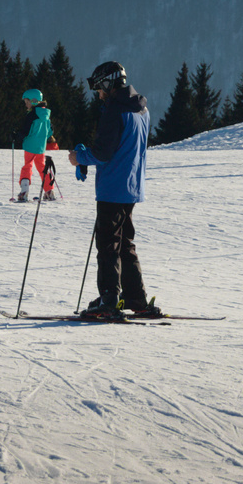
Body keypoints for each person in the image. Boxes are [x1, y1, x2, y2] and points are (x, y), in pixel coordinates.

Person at [70, 61, 162, 319]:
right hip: (132, 186)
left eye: (99, 88)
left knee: (108, 243)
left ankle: (110, 299)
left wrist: (79, 157)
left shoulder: (114, 111)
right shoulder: (142, 110)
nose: (98, 93)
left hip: (112, 187)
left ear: (109, 84)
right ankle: (136, 298)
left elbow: (103, 152)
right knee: (125, 243)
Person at [13, 89, 54, 202]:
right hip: (41, 147)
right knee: (42, 167)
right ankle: (49, 191)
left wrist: (16, 136)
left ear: (34, 101)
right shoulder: (46, 114)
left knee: (27, 166)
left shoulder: (32, 115)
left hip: (30, 146)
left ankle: (24, 192)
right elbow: (50, 131)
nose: (26, 105)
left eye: (27, 102)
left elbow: (25, 130)